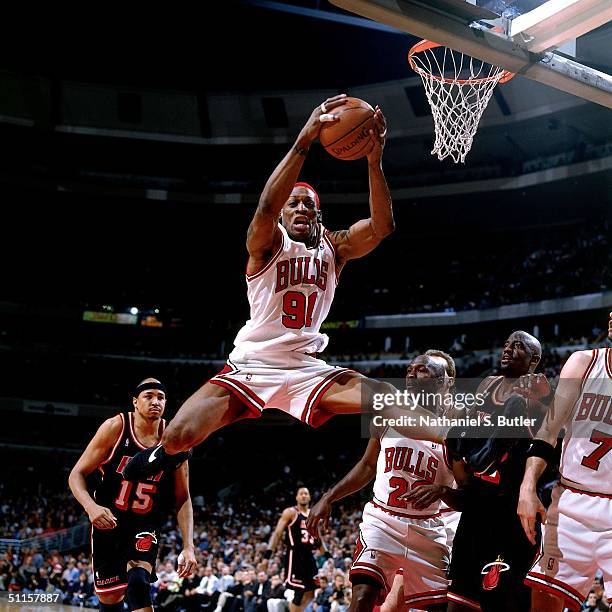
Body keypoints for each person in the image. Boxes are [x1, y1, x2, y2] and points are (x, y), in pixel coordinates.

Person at [122, 95, 394, 482]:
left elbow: (383, 227)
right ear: (284, 214)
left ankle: (470, 437)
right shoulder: (267, 243)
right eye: (293, 204)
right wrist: (304, 140)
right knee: (178, 436)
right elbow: (266, 206)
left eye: (308, 205)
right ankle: (162, 457)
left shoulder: (337, 246)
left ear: (319, 214)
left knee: (390, 399)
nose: (300, 209)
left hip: (306, 368)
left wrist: (373, 159)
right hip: (252, 365)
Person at [307, 351, 457, 611]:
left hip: (429, 529)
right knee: (363, 596)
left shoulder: (457, 426)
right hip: (384, 521)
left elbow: (469, 487)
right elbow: (367, 465)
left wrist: (442, 490)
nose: (412, 373)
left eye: (423, 370)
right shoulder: (387, 413)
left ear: (446, 382)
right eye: (410, 369)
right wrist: (328, 497)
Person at [440, 331, 551, 612]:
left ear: (534, 359)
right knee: (460, 599)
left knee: (501, 598)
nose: (508, 349)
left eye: (518, 346)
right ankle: (481, 454)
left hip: (510, 505)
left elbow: (550, 433)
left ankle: (489, 453)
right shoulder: (488, 384)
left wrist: (541, 402)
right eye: (506, 344)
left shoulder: (537, 388)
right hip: (479, 501)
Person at [68, 378, 197, 612]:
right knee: (110, 598)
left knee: (138, 582)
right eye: (149, 396)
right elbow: (76, 474)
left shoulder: (175, 439)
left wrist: (188, 546)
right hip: (109, 521)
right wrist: (91, 507)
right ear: (135, 402)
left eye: (160, 397)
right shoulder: (115, 427)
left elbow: (183, 497)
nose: (155, 401)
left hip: (145, 522)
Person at [518, 313, 612, 612]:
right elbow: (549, 430)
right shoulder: (584, 363)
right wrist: (528, 487)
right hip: (572, 501)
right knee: (544, 602)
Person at [266, 487, 321, 612]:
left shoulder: (313, 514)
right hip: (295, 554)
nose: (303, 496)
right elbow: (277, 533)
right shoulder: (290, 512)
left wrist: (327, 555)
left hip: (309, 556)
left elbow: (319, 538)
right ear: (296, 497)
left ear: (310, 497)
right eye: (301, 494)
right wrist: (267, 555)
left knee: (310, 593)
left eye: (306, 493)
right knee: (299, 592)